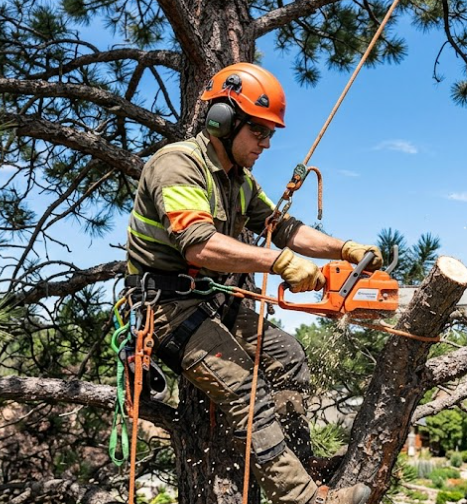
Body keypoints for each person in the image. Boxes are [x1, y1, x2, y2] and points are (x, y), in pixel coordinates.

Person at [125, 62, 381, 504]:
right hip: (167, 309)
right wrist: (281, 262)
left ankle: (296, 463)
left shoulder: (239, 182)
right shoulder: (179, 165)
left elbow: (283, 227)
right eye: (258, 132)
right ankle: (299, 497)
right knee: (246, 388)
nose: (265, 143)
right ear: (224, 121)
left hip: (208, 301)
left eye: (270, 135)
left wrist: (344, 249)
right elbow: (198, 246)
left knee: (289, 356)